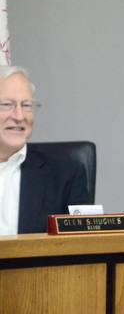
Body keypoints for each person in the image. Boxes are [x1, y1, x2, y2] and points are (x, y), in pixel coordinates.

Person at [0, 66, 92, 234]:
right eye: (7, 105)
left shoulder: (66, 175)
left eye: (27, 105)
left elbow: (83, 247)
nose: (20, 116)